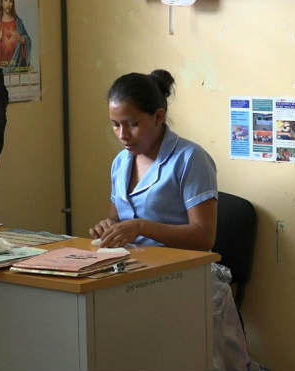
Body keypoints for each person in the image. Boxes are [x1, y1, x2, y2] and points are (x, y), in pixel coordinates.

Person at [89, 69, 218, 251]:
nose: (123, 135)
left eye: (133, 124)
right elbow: (115, 219)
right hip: (131, 266)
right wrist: (108, 227)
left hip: (183, 273)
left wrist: (141, 227)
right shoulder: (120, 161)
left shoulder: (191, 158)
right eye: (115, 125)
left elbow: (204, 237)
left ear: (158, 117)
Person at [0, 0, 31, 71]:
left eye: (10, 1)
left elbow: (27, 40)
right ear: (1, 3)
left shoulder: (18, 23)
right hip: (1, 69)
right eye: (6, 0)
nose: (8, 4)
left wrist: (22, 39)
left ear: (13, 4)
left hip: (17, 68)